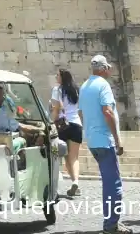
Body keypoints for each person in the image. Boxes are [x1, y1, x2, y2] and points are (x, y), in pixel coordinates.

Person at [79, 55, 127, 234]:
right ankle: (111, 225)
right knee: (113, 185)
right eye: (109, 67)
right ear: (104, 68)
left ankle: (110, 222)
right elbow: (107, 111)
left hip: (92, 140)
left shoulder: (84, 87)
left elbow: (81, 113)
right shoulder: (103, 85)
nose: (110, 71)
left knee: (108, 183)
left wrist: (89, 132)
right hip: (105, 141)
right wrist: (117, 139)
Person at [50, 68, 82, 197]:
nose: (56, 77)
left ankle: (56, 187)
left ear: (62, 77)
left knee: (62, 156)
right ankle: (75, 182)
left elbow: (55, 109)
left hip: (63, 125)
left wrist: (52, 123)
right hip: (76, 124)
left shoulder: (57, 90)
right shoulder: (75, 90)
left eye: (57, 75)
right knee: (74, 158)